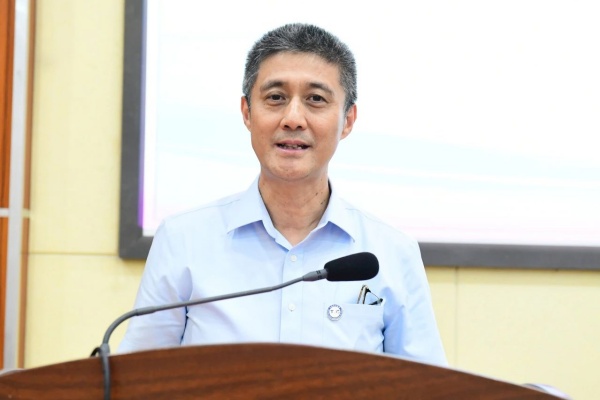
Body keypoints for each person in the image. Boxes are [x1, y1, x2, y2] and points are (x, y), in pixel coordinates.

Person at [118, 23, 447, 366]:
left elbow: (428, 385)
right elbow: (137, 375)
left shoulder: (391, 252)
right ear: (247, 112)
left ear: (348, 120)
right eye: (275, 98)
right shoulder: (183, 240)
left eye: (316, 99)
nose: (293, 119)